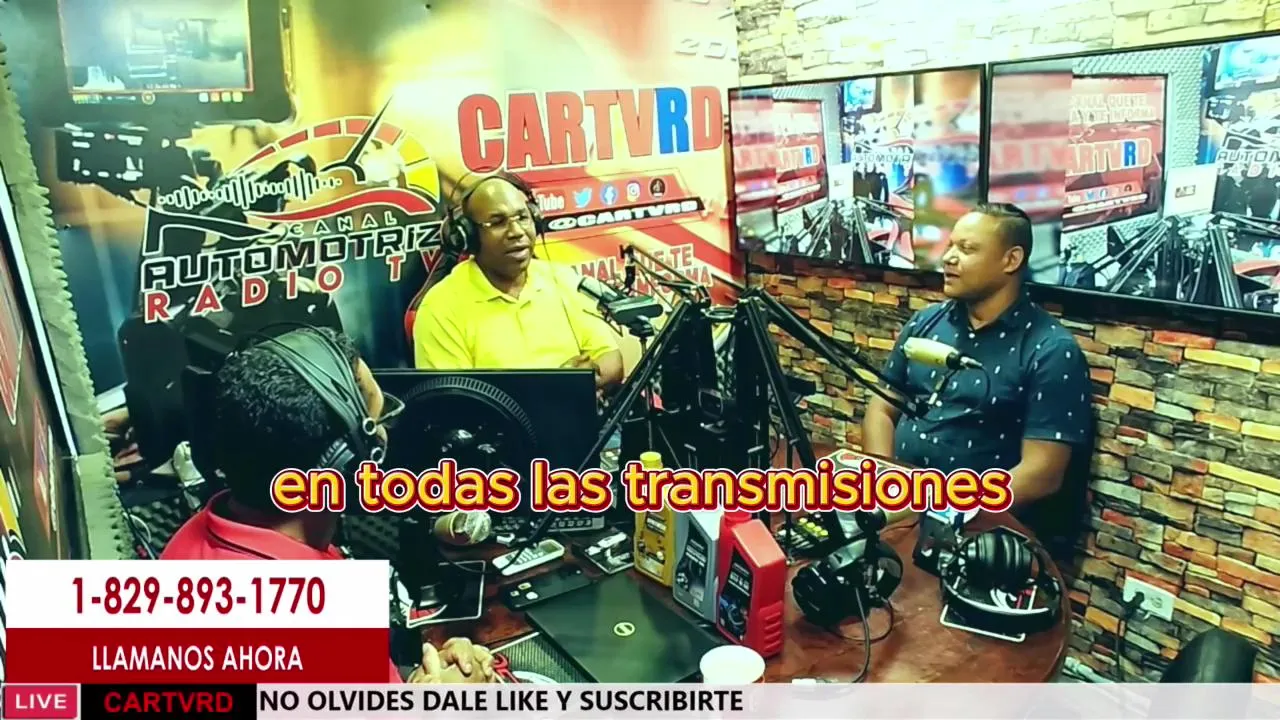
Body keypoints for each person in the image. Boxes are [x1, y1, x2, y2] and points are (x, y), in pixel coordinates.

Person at [160, 326, 495, 684]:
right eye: (378, 424)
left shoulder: (194, 539)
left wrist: (420, 681)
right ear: (344, 464)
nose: (384, 443)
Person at [862, 203, 1092, 560]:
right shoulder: (925, 323)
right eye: (951, 245)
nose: (949, 258)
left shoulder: (1050, 350)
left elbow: (1042, 472)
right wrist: (885, 484)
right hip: (895, 515)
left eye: (967, 249)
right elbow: (882, 407)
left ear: (1011, 260)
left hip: (977, 536)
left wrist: (948, 514)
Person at [412, 174, 624, 391]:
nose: (517, 232)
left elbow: (609, 357)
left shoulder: (563, 279)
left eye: (522, 217)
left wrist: (585, 382)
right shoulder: (440, 307)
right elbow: (453, 400)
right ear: (469, 236)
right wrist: (556, 389)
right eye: (497, 222)